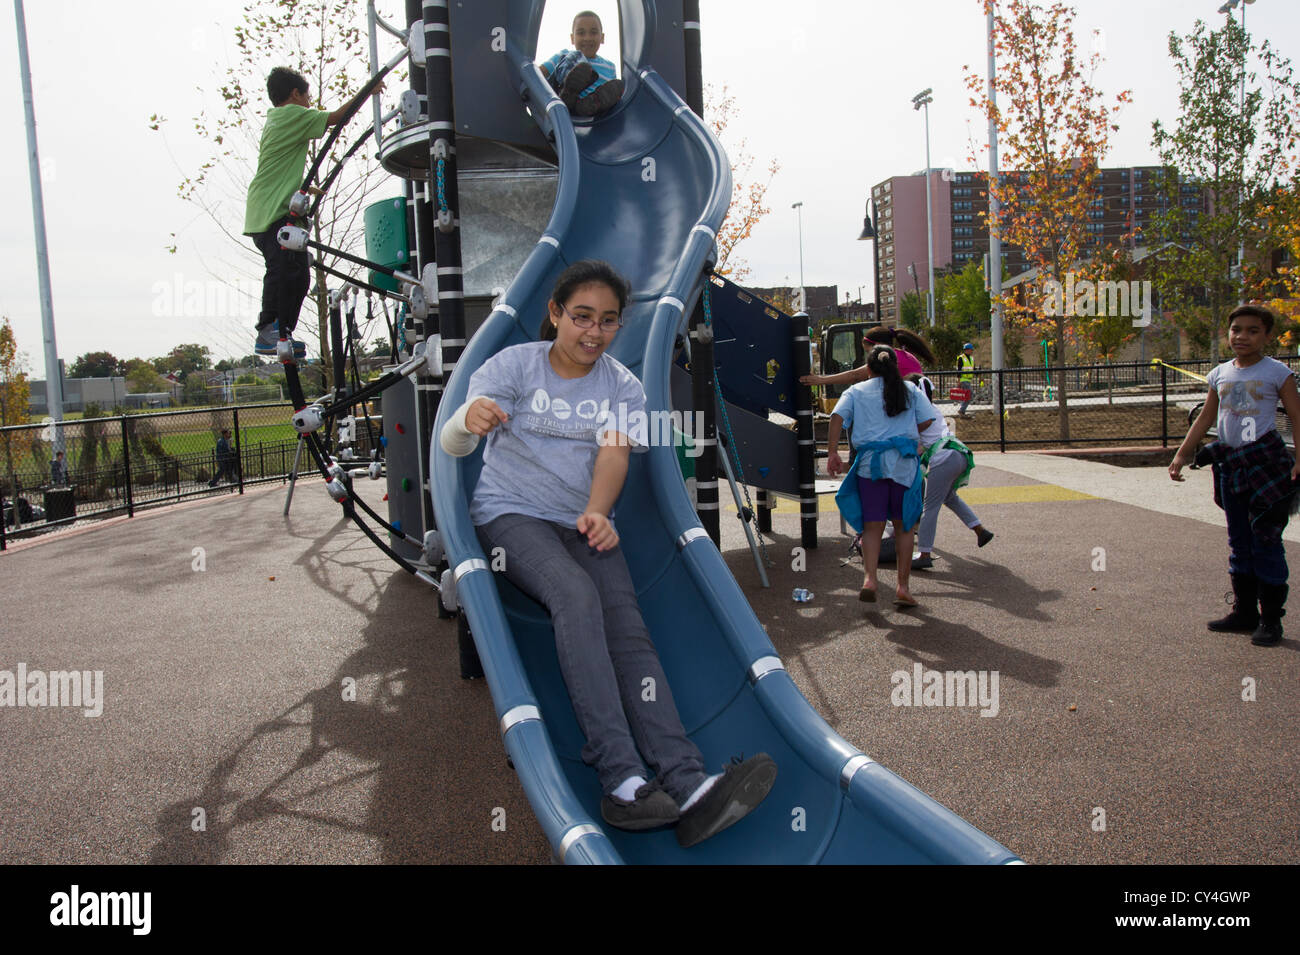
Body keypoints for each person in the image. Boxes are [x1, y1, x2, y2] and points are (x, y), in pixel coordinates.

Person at [440, 259, 776, 845]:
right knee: (574, 594)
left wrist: (597, 510)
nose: (593, 333)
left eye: (608, 321)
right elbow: (454, 439)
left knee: (627, 630)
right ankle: (620, 777)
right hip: (512, 514)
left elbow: (615, 454)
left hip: (583, 519)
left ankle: (687, 781)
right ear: (555, 314)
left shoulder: (621, 384)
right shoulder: (514, 366)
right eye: (581, 318)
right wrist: (470, 418)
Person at [1170, 304, 1300, 647]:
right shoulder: (1220, 374)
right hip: (1231, 467)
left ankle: (1271, 619)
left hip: (1266, 466)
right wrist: (1183, 455)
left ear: (1267, 336)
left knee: (1267, 541)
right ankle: (1245, 613)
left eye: (1253, 330)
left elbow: (1297, 417)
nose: (1242, 336)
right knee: (1239, 542)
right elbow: (1205, 418)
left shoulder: (1277, 372)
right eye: (1236, 330)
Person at [244, 67, 374, 359]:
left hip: (270, 205)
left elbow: (279, 165)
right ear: (295, 94)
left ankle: (282, 332)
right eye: (307, 96)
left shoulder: (279, 121)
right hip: (270, 211)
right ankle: (267, 328)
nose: (308, 102)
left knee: (300, 274)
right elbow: (337, 118)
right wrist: (369, 89)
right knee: (280, 268)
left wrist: (304, 189)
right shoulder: (290, 114)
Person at [826, 345, 937, 607]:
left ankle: (870, 579)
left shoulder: (856, 391)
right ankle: (903, 586)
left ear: (869, 367)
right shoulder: (910, 390)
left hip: (870, 465)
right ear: (894, 366)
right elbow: (927, 421)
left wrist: (833, 452)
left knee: (872, 526)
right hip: (904, 467)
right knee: (904, 526)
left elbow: (836, 416)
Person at [906, 374, 993, 570]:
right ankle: (980, 530)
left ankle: (924, 553)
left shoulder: (916, 414)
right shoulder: (931, 409)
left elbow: (917, 447)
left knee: (929, 507)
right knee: (949, 497)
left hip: (943, 457)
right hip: (959, 453)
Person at [539, 10, 624, 117]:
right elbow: (537, 74)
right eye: (581, 33)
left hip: (591, 115)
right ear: (572, 38)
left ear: (602, 37)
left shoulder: (610, 67)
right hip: (559, 103)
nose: (587, 38)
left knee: (618, 86)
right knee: (575, 56)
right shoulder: (564, 55)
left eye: (593, 32)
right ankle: (568, 94)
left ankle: (591, 104)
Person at [799, 326, 936, 389]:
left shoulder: (886, 357)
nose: (869, 357)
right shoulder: (906, 355)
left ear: (877, 346)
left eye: (868, 351)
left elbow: (855, 375)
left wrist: (820, 380)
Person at [957, 342, 976, 417]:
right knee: (969, 394)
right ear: (967, 350)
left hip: (969, 379)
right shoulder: (961, 358)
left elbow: (973, 369)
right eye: (971, 350)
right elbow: (959, 370)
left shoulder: (971, 358)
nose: (971, 351)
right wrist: (958, 381)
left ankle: (962, 410)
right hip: (963, 379)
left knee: (967, 396)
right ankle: (962, 410)